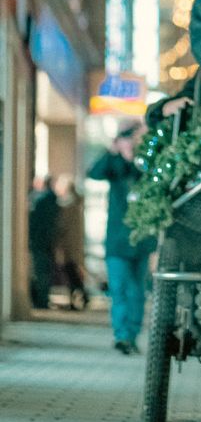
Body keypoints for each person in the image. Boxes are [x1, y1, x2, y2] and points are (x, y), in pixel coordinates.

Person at [89, 127, 157, 354]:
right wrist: (111, 152)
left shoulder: (145, 166)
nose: (131, 144)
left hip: (140, 241)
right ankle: (122, 335)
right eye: (128, 140)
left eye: (134, 140)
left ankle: (132, 335)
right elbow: (94, 172)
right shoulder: (114, 167)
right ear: (119, 142)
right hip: (117, 242)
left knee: (137, 291)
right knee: (119, 289)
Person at [52, 176, 89, 311]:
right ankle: (79, 298)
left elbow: (63, 228)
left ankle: (80, 298)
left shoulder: (68, 206)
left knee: (72, 274)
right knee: (73, 274)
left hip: (70, 247)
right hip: (74, 246)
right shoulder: (76, 204)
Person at [27, 175, 60, 310]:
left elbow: (35, 223)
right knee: (44, 272)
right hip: (47, 242)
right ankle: (42, 299)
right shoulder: (53, 201)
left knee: (40, 272)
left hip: (39, 242)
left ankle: (41, 301)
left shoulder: (42, 202)